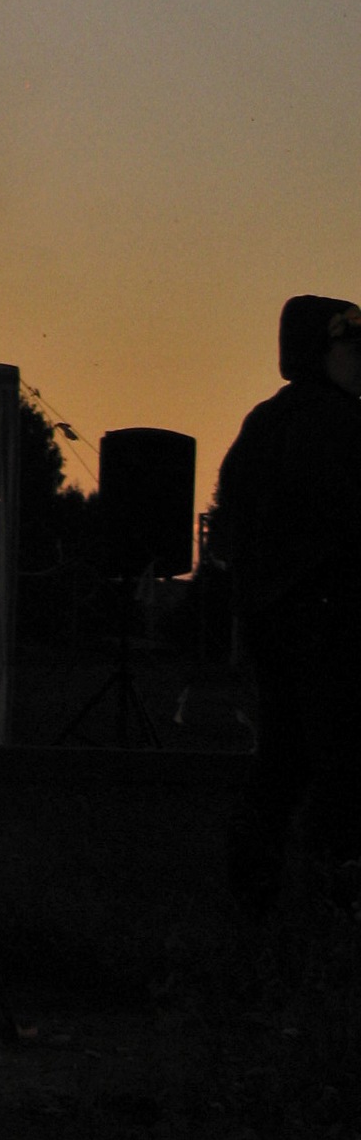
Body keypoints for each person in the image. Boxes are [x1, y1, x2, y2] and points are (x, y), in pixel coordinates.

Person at [214, 293, 361, 908]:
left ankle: (253, 906)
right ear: (318, 353)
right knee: (340, 773)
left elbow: (229, 529)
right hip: (334, 632)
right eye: (350, 349)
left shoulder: (262, 425)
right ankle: (332, 909)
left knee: (280, 765)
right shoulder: (343, 427)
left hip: (273, 628)